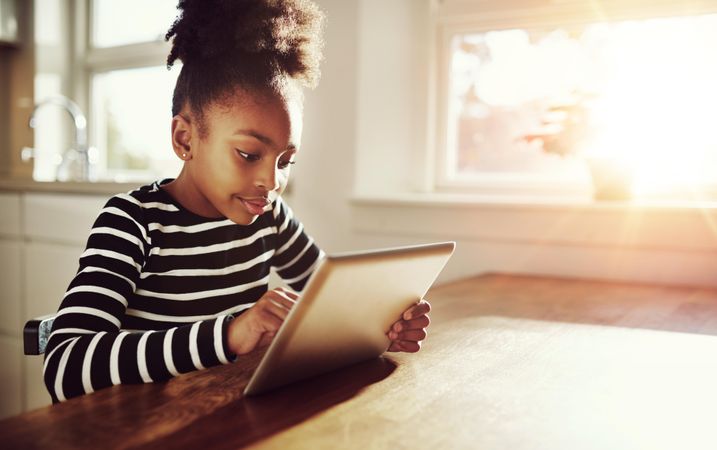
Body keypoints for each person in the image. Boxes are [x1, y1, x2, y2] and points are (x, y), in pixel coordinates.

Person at [43, 0, 431, 403]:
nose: (271, 180)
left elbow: (327, 304)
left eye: (286, 161)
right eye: (249, 154)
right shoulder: (134, 222)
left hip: (229, 420)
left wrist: (378, 324)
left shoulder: (270, 217)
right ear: (185, 139)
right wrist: (229, 335)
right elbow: (64, 368)